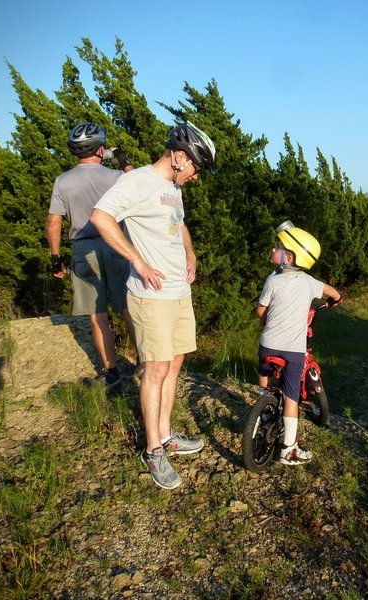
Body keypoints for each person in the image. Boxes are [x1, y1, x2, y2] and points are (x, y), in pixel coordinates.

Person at [90, 121, 216, 490]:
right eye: (195, 167)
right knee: (156, 370)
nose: (195, 176)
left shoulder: (172, 187)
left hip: (178, 291)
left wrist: (190, 253)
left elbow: (179, 225)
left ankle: (166, 434)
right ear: (179, 157)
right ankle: (153, 450)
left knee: (175, 362)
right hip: (151, 296)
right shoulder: (136, 182)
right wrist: (137, 260)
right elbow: (101, 217)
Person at [47, 122, 136, 389]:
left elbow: (54, 222)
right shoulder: (116, 177)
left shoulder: (62, 181)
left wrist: (55, 257)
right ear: (100, 149)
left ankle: (111, 371)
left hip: (82, 249)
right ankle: (145, 362)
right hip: (116, 244)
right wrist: (123, 160)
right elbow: (138, 184)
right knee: (127, 308)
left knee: (97, 315)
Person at [256, 220, 341, 465]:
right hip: (293, 350)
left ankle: (263, 399)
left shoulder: (271, 282)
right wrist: (337, 299)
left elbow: (260, 311)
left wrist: (267, 319)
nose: (273, 249)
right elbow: (332, 292)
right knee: (292, 398)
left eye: (278, 246)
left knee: (264, 368)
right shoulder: (309, 282)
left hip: (269, 344)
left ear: (289, 258)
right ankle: (288, 450)